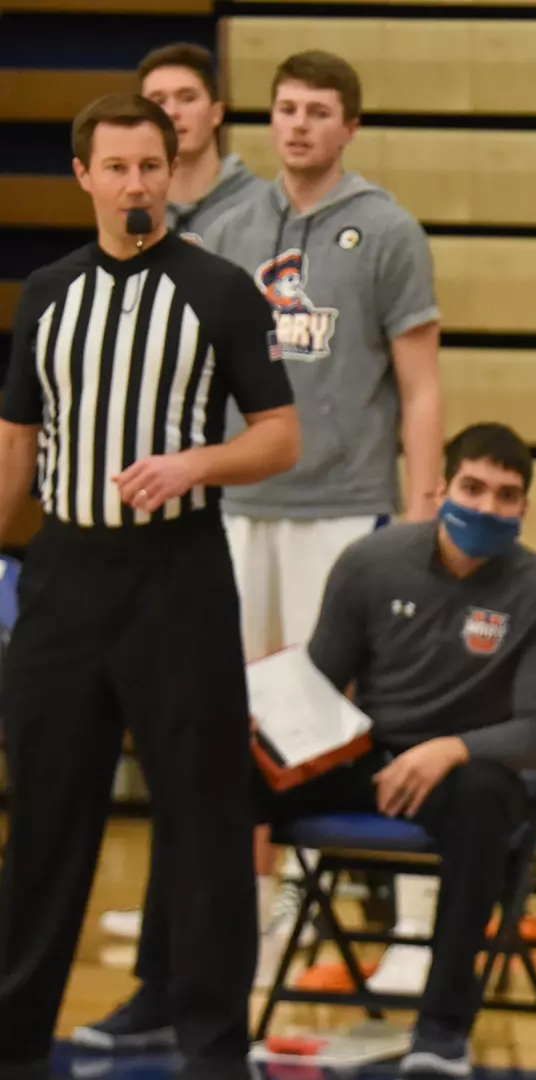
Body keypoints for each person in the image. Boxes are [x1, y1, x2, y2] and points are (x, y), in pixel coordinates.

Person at [79, 423, 536, 1075]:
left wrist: (448, 750)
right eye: (473, 487)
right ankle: (162, 995)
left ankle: (443, 1027)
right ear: (439, 489)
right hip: (364, 759)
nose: (486, 506)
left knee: (485, 803)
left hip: (470, 771)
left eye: (506, 495)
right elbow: (315, 686)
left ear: (524, 509)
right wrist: (254, 718)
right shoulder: (371, 562)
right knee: (204, 776)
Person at [0, 93, 299, 1074]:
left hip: (177, 576)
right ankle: (14, 1041)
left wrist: (194, 465)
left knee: (205, 818)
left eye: (151, 166)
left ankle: (214, 1049)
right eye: (117, 166)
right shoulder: (46, 292)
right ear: (82, 174)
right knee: (46, 814)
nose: (136, 182)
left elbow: (279, 438)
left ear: (171, 173)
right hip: (64, 577)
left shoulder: (219, 289)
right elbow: (16, 446)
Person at [196, 47, 447, 989]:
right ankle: (261, 926)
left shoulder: (387, 230)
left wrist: (424, 507)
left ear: (350, 126)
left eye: (317, 111)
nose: (298, 124)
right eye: (286, 109)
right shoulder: (228, 225)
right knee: (239, 721)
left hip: (344, 511)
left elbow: (421, 387)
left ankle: (409, 924)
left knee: (351, 718)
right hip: (240, 509)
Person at [94, 39, 272, 950]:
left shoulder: (256, 214)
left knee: (247, 717)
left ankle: (259, 905)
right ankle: (177, 916)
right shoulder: (106, 245)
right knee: (160, 725)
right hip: (141, 520)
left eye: (186, 98)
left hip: (243, 493)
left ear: (211, 113)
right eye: (152, 100)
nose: (171, 111)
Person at [136, 42, 263, 242]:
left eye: (187, 98)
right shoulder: (130, 207)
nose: (172, 112)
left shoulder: (264, 204)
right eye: (158, 102)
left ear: (216, 113)